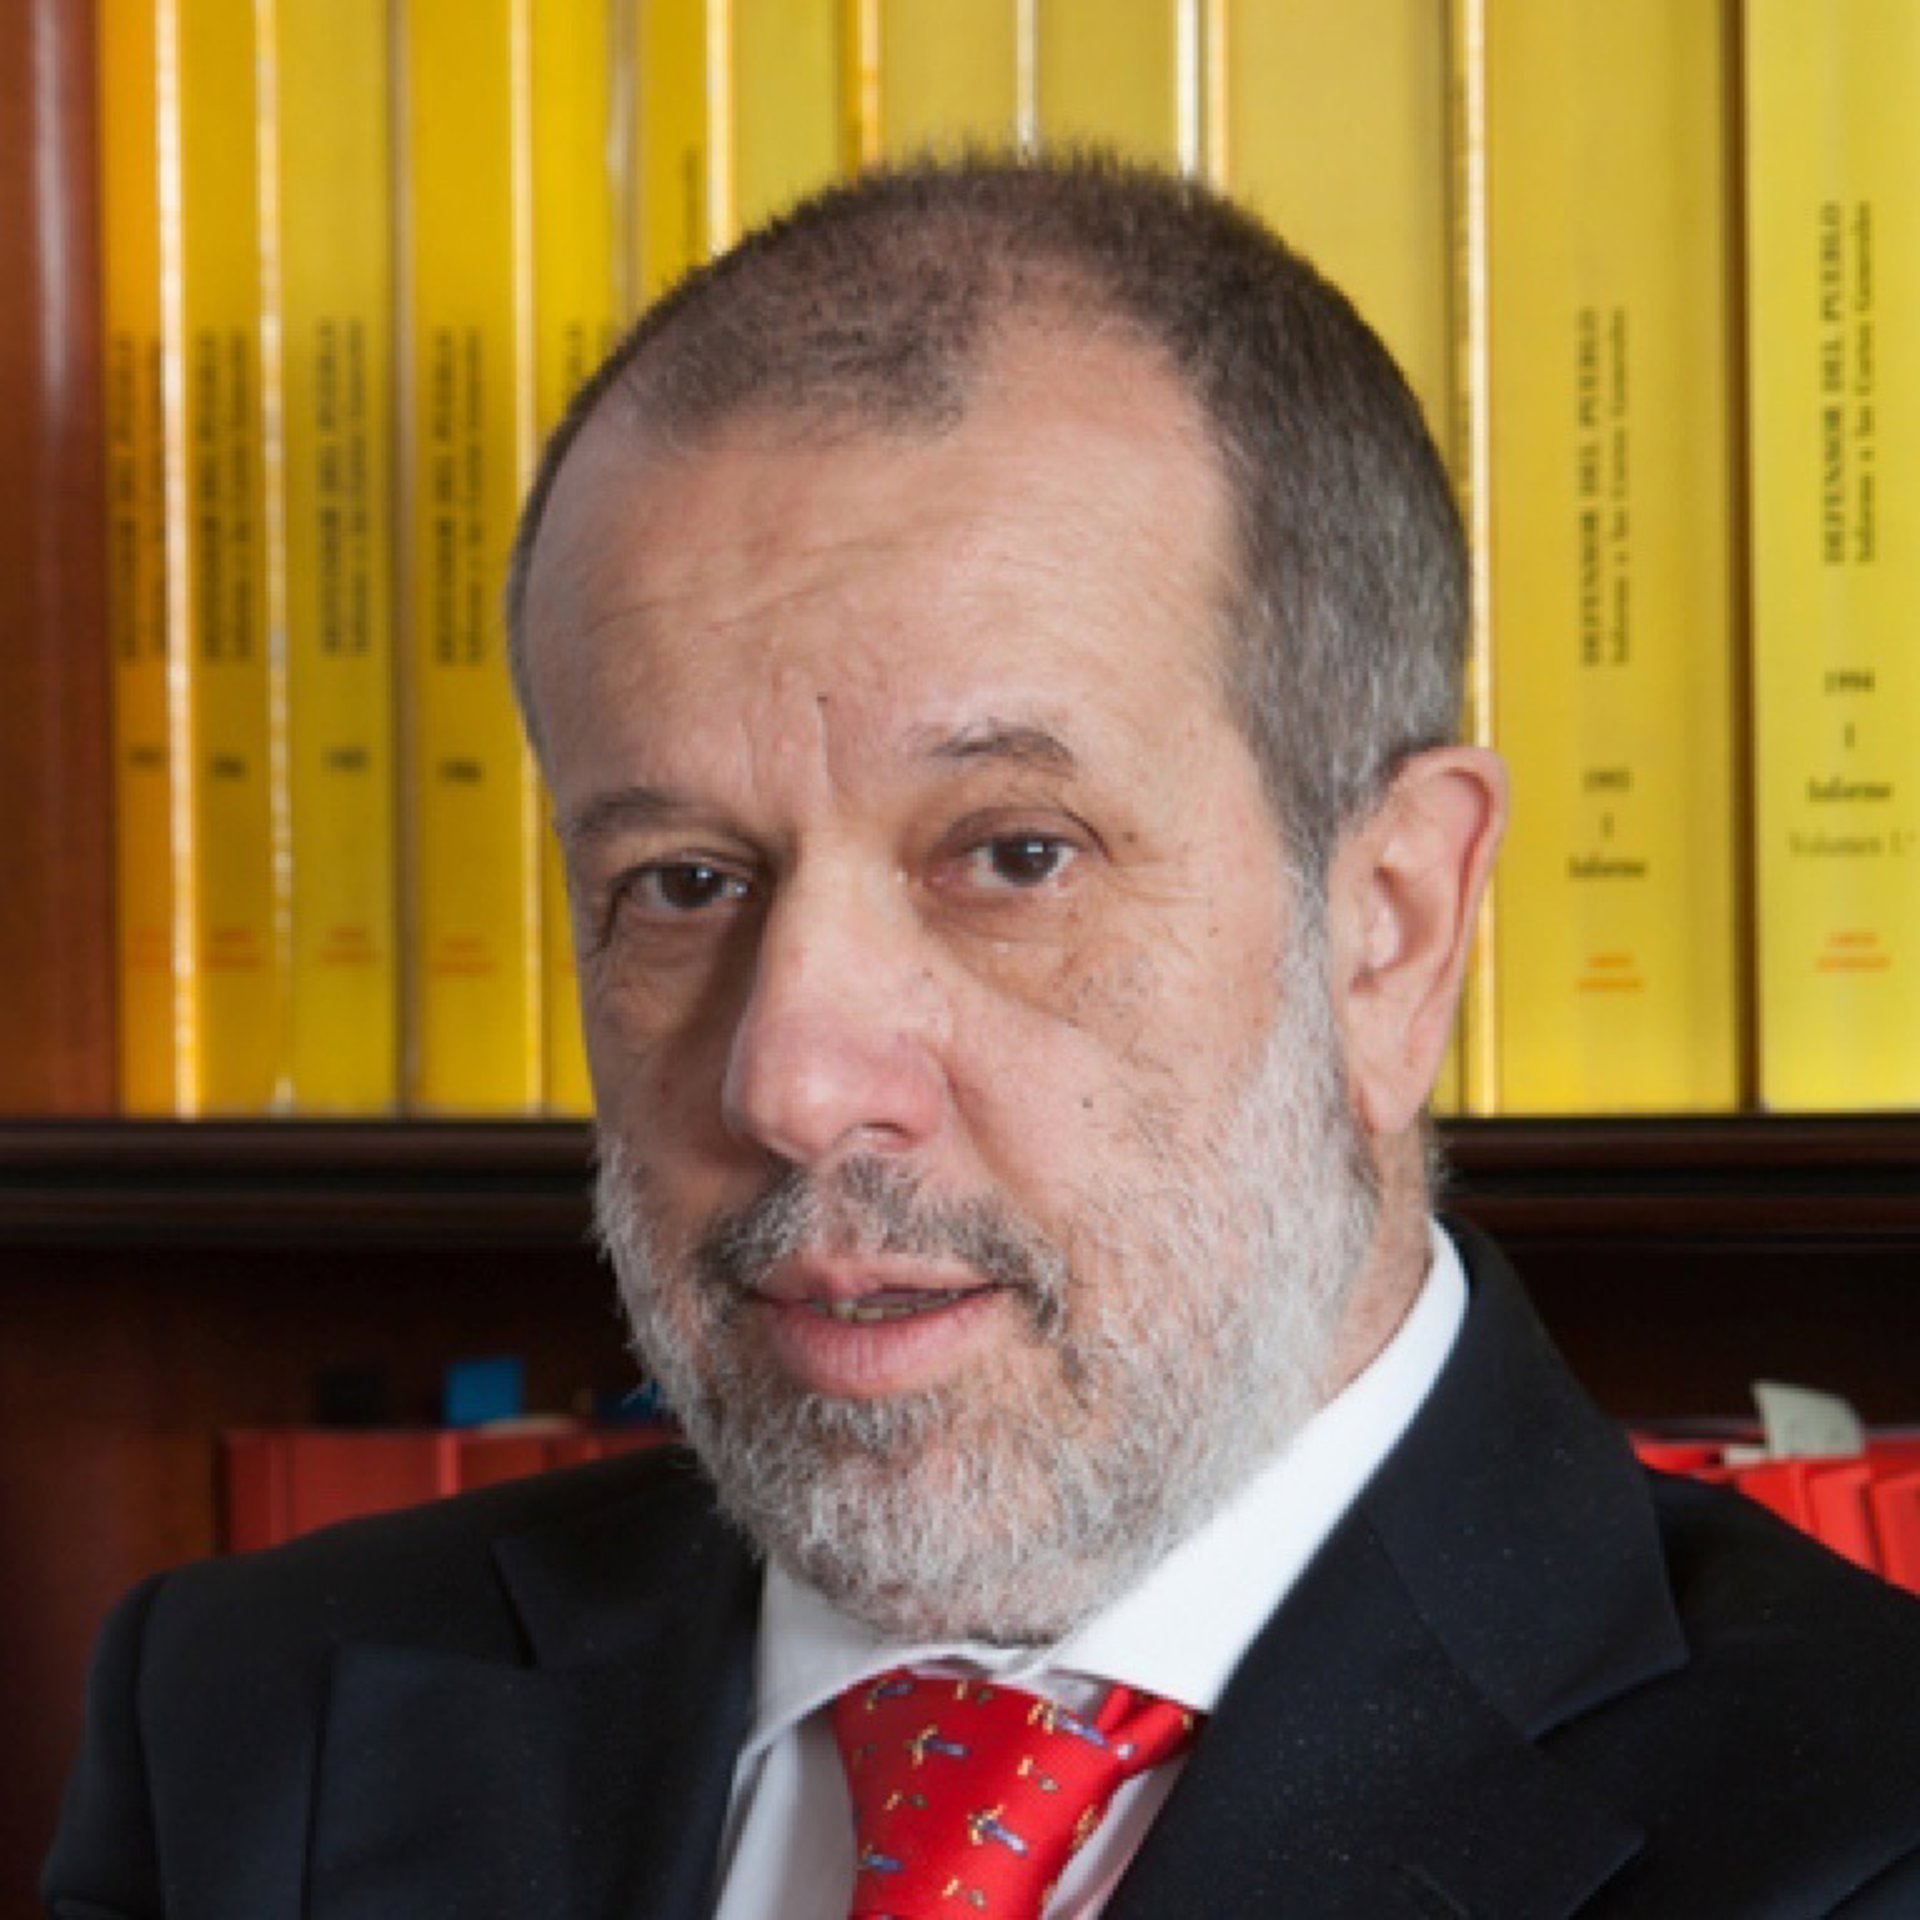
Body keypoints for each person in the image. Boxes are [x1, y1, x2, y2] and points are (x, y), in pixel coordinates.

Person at [45, 156, 1920, 1920]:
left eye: (1015, 855)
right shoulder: (244, 1731)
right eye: (683, 882)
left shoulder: (1867, 1836)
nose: (792, 1082)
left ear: (1392, 924)